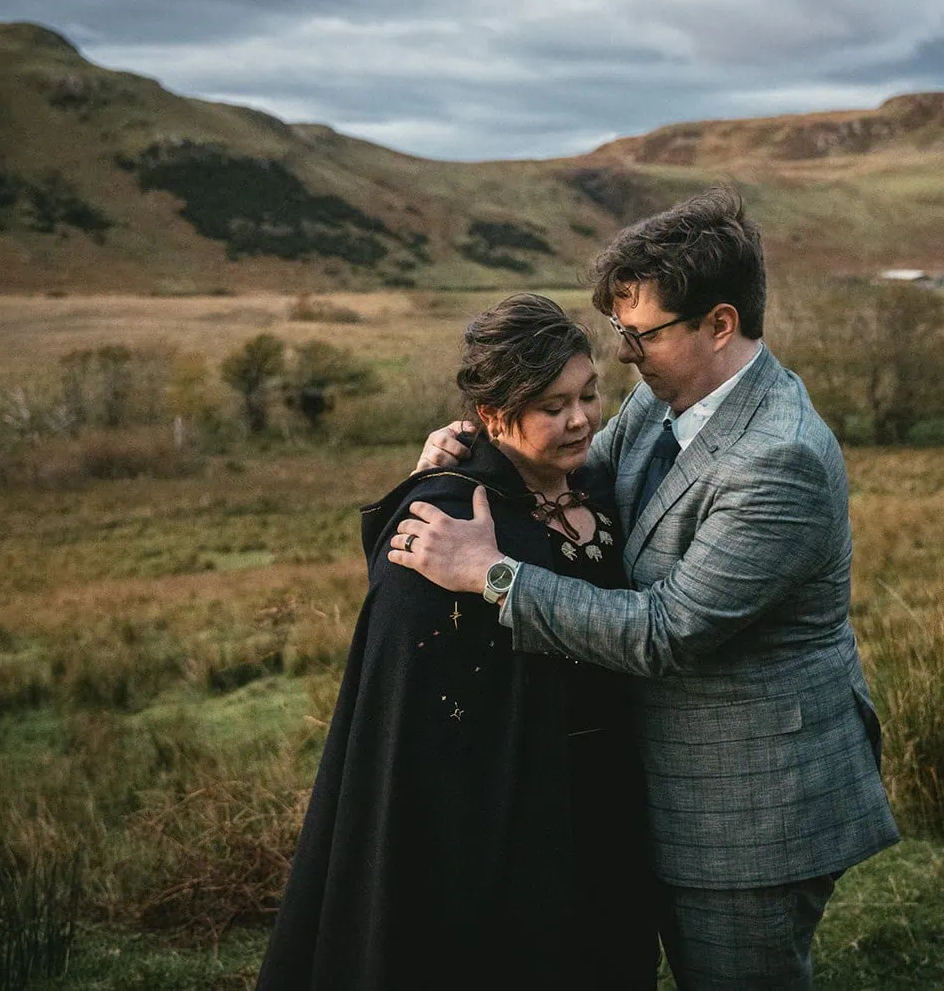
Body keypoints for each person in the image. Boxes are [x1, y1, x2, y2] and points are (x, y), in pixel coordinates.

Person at [395, 188, 899, 990]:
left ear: (719, 324)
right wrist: (472, 458)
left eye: (644, 334)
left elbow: (667, 630)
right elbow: (571, 478)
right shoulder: (668, 404)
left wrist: (490, 574)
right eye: (621, 333)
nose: (626, 355)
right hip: (664, 791)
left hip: (750, 810)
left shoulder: (779, 458)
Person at [255, 294, 658, 991]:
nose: (581, 419)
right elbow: (418, 712)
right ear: (494, 414)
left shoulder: (600, 485)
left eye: (589, 394)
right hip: (506, 816)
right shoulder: (446, 517)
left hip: (609, 800)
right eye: (553, 405)